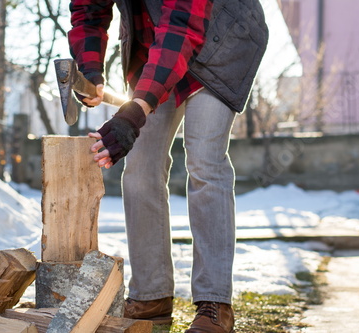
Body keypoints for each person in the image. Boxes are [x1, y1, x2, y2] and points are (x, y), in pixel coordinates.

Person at [68, 0, 268, 332]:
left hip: (220, 39)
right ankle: (151, 296)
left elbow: (181, 25)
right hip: (155, 52)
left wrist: (135, 112)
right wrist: (89, 70)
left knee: (205, 160)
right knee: (139, 169)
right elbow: (89, 10)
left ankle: (214, 303)